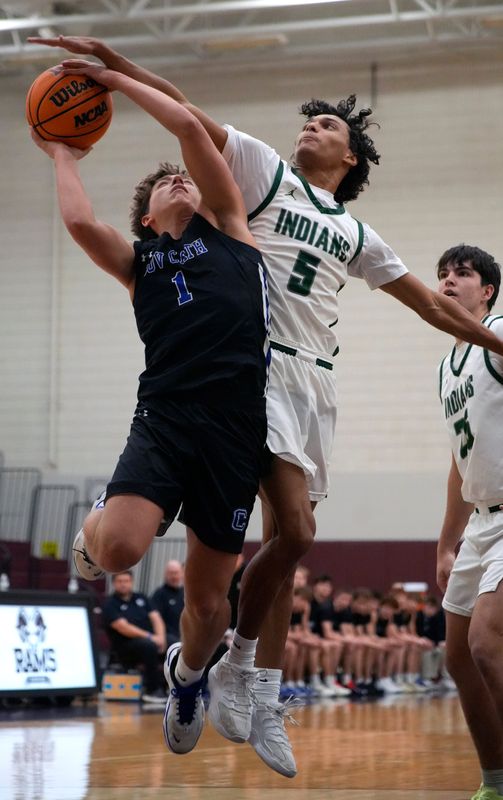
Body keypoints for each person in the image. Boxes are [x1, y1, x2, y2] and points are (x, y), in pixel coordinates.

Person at [27, 35, 503, 780]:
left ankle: (239, 675)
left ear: (350, 160)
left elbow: (429, 310)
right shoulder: (260, 173)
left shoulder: (356, 232)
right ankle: (250, 674)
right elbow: (188, 117)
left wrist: (492, 342)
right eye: (307, 121)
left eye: (327, 127)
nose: (309, 127)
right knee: (295, 530)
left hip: (318, 383)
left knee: (284, 549)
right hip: (259, 369)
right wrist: (116, 72)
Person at [30, 60, 269, 757]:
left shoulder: (230, 228)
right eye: (167, 182)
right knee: (123, 548)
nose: (180, 179)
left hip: (234, 431)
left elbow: (190, 124)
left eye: (187, 177)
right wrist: (63, 153)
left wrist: (114, 76)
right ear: (145, 215)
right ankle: (94, 529)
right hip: (165, 418)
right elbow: (78, 220)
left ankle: (189, 676)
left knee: (205, 605)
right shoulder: (139, 263)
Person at [435, 244, 503, 800]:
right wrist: (445, 543)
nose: (448, 281)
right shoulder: (447, 366)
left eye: (463, 273)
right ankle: (495, 782)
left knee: (487, 642)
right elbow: (460, 464)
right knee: (457, 655)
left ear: (488, 292)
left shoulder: (498, 332)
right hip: (480, 523)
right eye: (442, 274)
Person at [102, 570, 166, 703]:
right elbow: (123, 627)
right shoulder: (110, 603)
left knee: (174, 643)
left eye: (126, 581)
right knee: (148, 646)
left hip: (149, 640)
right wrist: (150, 637)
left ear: (131, 582)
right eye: (119, 581)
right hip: (125, 646)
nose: (123, 584)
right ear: (114, 583)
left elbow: (156, 618)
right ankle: (152, 690)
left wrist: (161, 638)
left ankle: (171, 688)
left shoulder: (141, 598)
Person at [150, 560, 185, 648]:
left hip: (187, 635)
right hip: (168, 636)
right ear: (165, 574)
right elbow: (156, 618)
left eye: (176, 573)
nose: (174, 576)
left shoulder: (187, 593)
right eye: (171, 573)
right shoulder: (159, 594)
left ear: (182, 574)